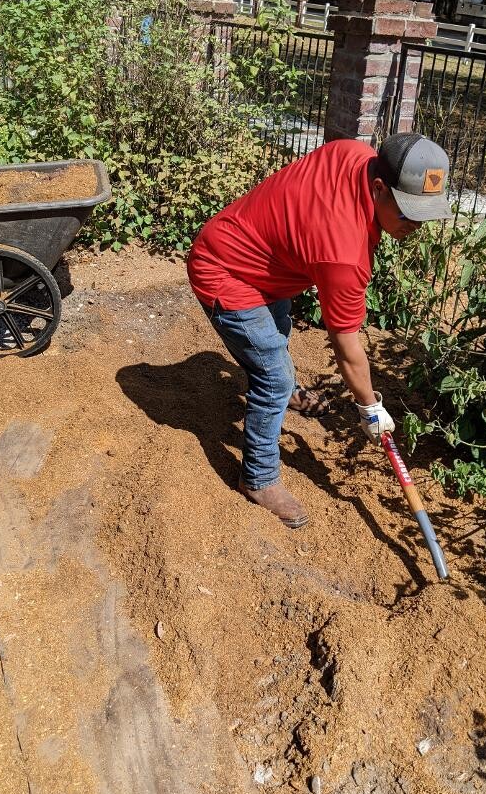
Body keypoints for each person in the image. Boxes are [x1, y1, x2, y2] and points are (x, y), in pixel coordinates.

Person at [187, 133, 453, 528]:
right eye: (408, 213)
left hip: (266, 258)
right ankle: (257, 477)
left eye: (424, 214)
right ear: (379, 188)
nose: (416, 225)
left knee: (275, 333)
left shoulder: (356, 154)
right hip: (226, 271)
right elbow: (346, 348)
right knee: (273, 377)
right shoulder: (344, 254)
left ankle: (279, 389)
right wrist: (370, 408)